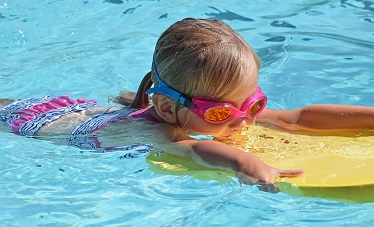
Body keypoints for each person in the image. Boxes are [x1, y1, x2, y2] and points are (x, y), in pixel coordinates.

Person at [1, 18, 373, 185]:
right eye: (220, 112)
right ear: (167, 109)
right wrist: (249, 165)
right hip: (36, 123)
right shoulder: (163, 131)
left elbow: (298, 118)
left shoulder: (231, 114)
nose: (244, 121)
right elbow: (194, 151)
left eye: (254, 105)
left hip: (76, 109)